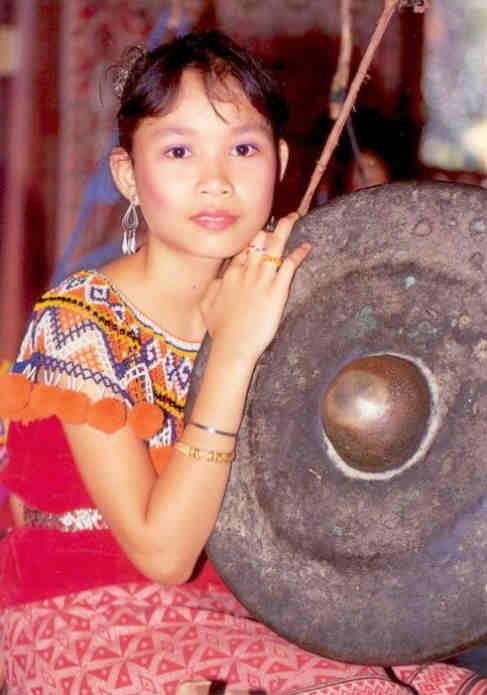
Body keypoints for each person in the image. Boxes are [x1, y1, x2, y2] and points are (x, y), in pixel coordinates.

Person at [0, 31, 485, 695]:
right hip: (87, 618)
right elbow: (164, 554)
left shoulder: (291, 301)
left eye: (243, 148)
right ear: (126, 175)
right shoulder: (81, 321)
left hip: (238, 613)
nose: (215, 179)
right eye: (178, 150)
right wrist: (231, 350)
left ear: (280, 161)